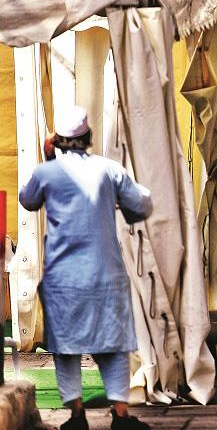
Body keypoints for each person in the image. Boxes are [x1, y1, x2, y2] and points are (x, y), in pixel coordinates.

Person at [19, 106, 153, 430]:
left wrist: (47, 157)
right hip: (105, 273)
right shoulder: (109, 169)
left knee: (66, 348)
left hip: (62, 278)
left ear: (57, 142)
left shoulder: (45, 173)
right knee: (114, 344)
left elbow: (28, 199)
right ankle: (120, 415)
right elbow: (141, 204)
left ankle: (76, 415)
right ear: (88, 137)